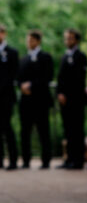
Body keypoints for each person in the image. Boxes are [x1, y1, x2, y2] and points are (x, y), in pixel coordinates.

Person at [17, 31, 54, 170]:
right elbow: (18, 77)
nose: (29, 43)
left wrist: (31, 85)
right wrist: (22, 85)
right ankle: (26, 160)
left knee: (43, 131)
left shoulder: (46, 57)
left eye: (31, 40)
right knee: (25, 132)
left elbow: (48, 77)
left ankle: (46, 161)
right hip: (26, 102)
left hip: (41, 101)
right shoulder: (24, 59)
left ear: (38, 41)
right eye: (27, 40)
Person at [56, 28, 87, 169]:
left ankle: (78, 160)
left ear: (76, 40)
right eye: (66, 38)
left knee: (77, 130)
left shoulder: (81, 57)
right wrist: (60, 93)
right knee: (68, 130)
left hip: (76, 100)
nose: (67, 41)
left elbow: (78, 80)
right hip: (65, 101)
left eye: (69, 38)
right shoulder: (64, 56)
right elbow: (60, 78)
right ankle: (69, 158)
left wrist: (68, 94)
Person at [0, 24, 19, 170]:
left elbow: (14, 74)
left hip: (6, 97)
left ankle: (13, 160)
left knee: (7, 128)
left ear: (3, 34)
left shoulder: (12, 52)